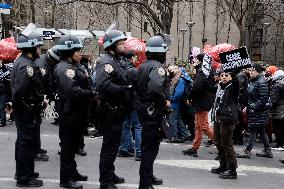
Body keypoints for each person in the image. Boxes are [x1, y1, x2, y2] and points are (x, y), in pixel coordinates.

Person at [95, 30, 133, 189]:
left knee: (113, 146)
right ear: (112, 45)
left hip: (117, 109)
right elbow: (103, 85)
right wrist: (124, 90)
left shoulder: (115, 60)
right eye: (121, 43)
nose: (124, 46)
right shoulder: (107, 62)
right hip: (110, 110)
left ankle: (110, 173)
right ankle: (105, 181)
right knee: (109, 147)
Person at [54, 35, 93, 189]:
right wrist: (90, 94)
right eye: (77, 51)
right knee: (68, 147)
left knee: (74, 144)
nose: (79, 54)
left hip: (77, 112)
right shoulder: (64, 68)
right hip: (69, 112)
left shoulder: (75, 66)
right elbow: (72, 91)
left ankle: (72, 172)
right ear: (69, 52)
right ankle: (65, 179)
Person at [135, 35, 170, 189]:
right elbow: (156, 86)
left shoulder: (143, 66)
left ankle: (147, 177)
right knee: (150, 148)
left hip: (144, 109)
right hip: (153, 111)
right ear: (160, 53)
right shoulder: (157, 67)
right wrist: (164, 101)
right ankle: (145, 183)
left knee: (147, 146)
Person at [11, 34, 45, 187]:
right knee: (26, 143)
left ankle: (23, 172)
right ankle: (25, 177)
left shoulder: (25, 62)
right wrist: (29, 108)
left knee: (23, 142)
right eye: (38, 46)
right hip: (27, 111)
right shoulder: (27, 66)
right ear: (31, 47)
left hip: (26, 110)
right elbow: (19, 92)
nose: (40, 49)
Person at [182, 53, 216, 157]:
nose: (194, 61)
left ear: (200, 61)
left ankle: (222, 145)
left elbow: (197, 87)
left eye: (196, 59)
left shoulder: (202, 72)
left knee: (204, 126)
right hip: (202, 101)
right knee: (198, 126)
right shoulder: (206, 71)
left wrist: (189, 96)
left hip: (201, 102)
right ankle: (194, 147)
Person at [237, 63, 273, 159]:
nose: (250, 72)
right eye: (250, 70)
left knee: (252, 129)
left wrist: (253, 107)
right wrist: (248, 107)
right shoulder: (254, 81)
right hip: (255, 110)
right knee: (261, 130)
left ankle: (248, 151)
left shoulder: (260, 82)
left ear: (258, 72)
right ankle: (267, 150)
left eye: (252, 70)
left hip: (258, 111)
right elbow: (253, 97)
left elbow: (263, 99)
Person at [210, 69, 239, 179]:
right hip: (218, 117)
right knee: (218, 142)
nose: (224, 77)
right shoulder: (219, 87)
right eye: (222, 75)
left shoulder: (232, 87)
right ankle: (223, 166)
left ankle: (232, 170)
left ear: (231, 77)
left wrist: (234, 75)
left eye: (227, 75)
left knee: (227, 144)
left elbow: (236, 83)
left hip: (227, 118)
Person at [34, 46, 61, 161]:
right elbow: (42, 85)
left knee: (36, 125)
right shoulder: (42, 66)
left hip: (39, 98)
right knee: (32, 127)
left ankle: (36, 148)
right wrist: (45, 99)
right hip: (36, 99)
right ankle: (34, 151)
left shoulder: (47, 63)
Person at [167, 66, 190, 143]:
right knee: (178, 120)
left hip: (174, 103)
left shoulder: (180, 80)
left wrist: (171, 99)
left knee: (172, 120)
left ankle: (174, 137)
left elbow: (178, 93)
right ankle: (185, 134)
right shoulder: (176, 80)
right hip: (175, 103)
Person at [270, 70, 284, 148]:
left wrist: (269, 107)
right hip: (282, 108)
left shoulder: (277, 86)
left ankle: (279, 143)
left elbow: (274, 99)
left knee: (277, 126)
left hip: (278, 109)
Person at [0, 60, 12, 127]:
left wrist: (4, 80)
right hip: (3, 90)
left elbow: (9, 80)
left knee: (2, 107)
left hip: (3, 91)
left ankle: (3, 121)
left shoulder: (6, 70)